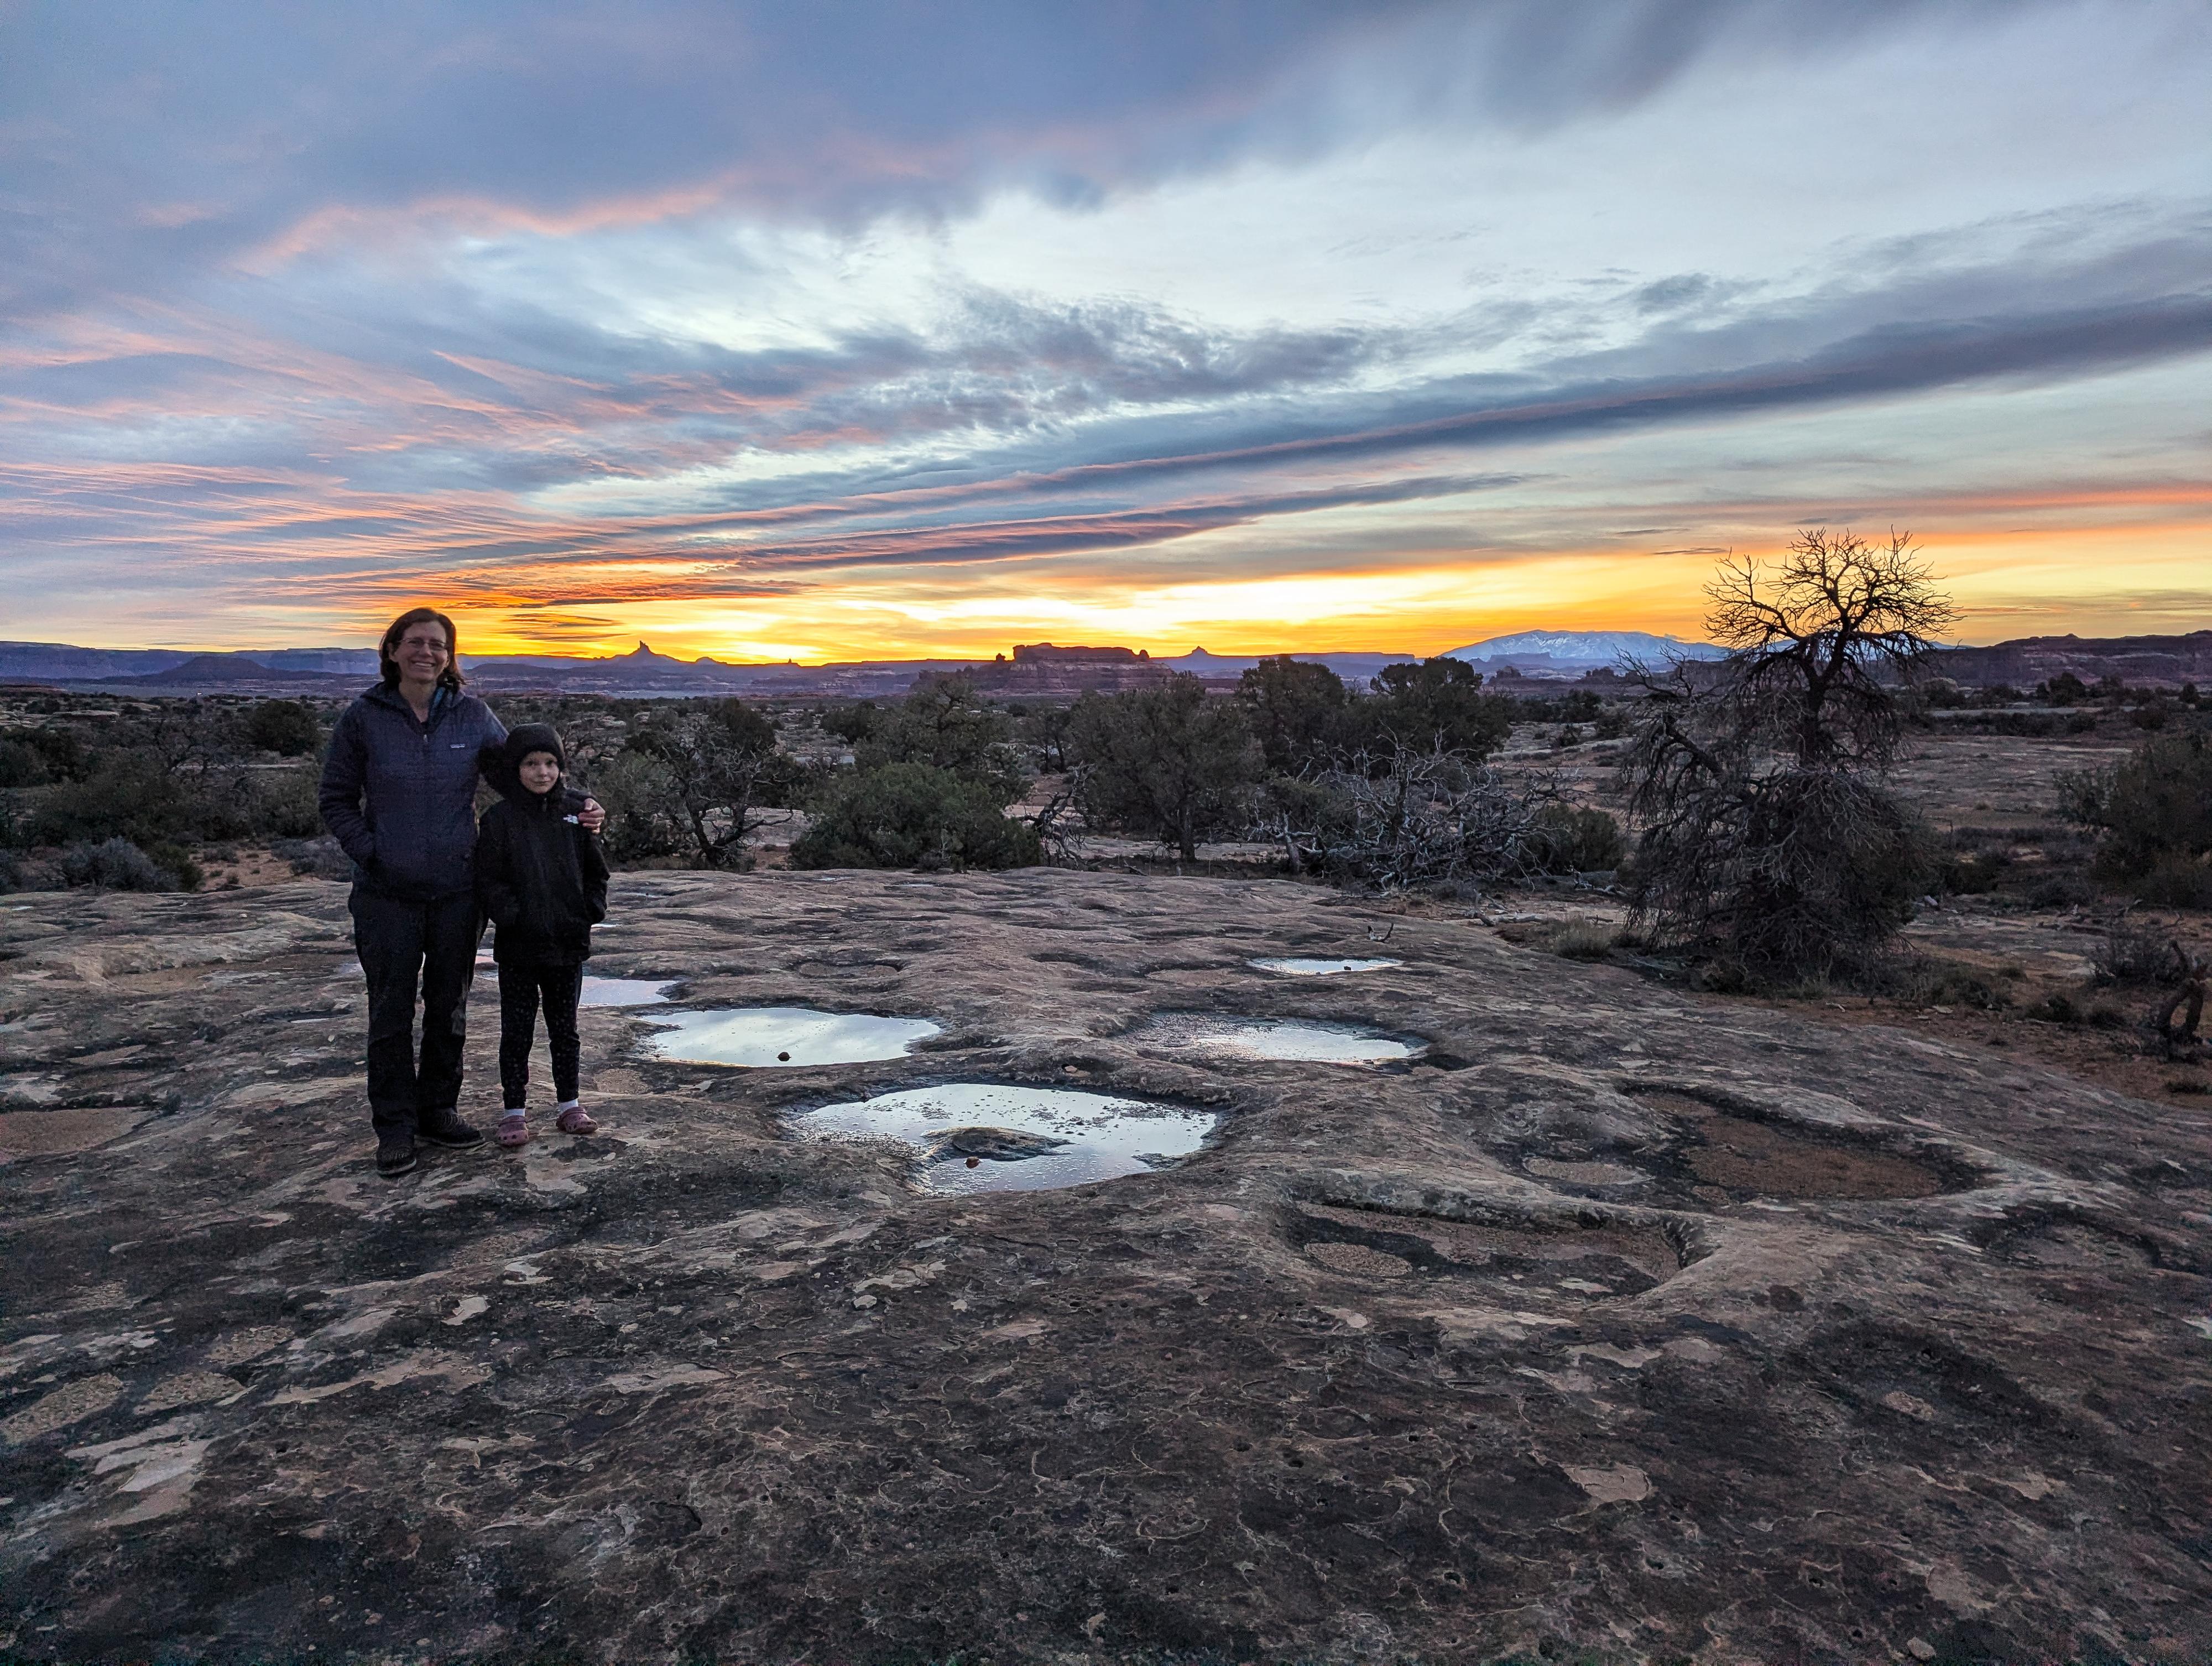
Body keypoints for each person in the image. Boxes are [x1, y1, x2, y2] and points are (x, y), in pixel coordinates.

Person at [318, 607, 602, 1178]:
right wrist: (372, 851)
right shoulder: (363, 719)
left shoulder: (472, 717)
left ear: (450, 656)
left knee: (449, 1006)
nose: (427, 653)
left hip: (456, 892)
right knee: (392, 1011)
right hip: (385, 894)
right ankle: (395, 1127)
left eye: (439, 646)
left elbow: (523, 777)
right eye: (416, 643)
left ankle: (438, 1111)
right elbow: (336, 799)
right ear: (393, 649)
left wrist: (582, 805)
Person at [474, 723, 607, 1148]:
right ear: (516, 769)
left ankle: (570, 1105)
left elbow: (595, 871)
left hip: (567, 944)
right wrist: (512, 916)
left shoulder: (576, 813)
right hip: (519, 947)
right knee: (517, 1032)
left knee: (565, 1030)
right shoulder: (498, 820)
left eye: (550, 763)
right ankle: (514, 1112)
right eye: (531, 764)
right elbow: (489, 880)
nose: (542, 772)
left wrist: (588, 912)